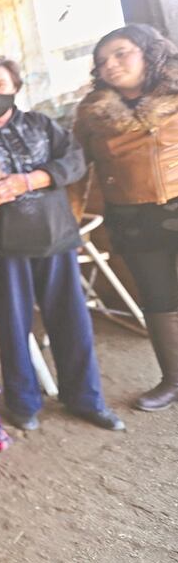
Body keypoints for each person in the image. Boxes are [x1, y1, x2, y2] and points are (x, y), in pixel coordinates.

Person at [0, 56, 124, 432]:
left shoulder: (41, 126)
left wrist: (31, 180)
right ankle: (23, 403)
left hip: (54, 236)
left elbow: (75, 161)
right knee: (13, 326)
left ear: (15, 87)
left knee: (72, 321)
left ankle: (85, 399)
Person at [74, 23, 178, 411]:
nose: (111, 65)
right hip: (134, 219)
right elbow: (77, 172)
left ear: (149, 51)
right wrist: (70, 225)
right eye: (102, 61)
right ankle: (173, 380)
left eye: (122, 53)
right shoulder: (91, 114)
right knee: (158, 299)